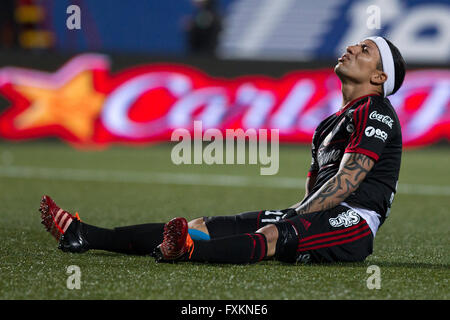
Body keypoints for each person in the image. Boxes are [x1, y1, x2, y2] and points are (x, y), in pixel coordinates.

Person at [39, 36, 406, 264]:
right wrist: (297, 214)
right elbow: (315, 190)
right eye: (355, 44)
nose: (352, 49)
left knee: (272, 236)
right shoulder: (330, 122)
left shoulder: (376, 111)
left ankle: (185, 252)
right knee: (202, 225)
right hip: (315, 213)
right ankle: (85, 234)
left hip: (355, 223)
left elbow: (346, 182)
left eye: (365, 49)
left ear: (379, 77)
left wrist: (292, 219)